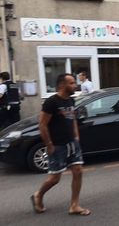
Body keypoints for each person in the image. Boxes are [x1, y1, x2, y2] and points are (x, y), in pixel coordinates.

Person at [31, 74, 91, 216]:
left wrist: (76, 136)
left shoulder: (71, 100)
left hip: (72, 143)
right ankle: (38, 195)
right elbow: (42, 125)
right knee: (54, 178)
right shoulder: (51, 102)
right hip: (57, 145)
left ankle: (74, 205)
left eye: (74, 83)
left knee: (78, 171)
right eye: (71, 83)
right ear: (62, 85)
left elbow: (73, 119)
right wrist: (49, 145)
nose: (75, 85)